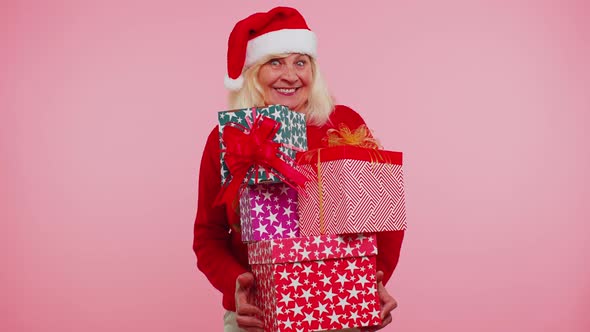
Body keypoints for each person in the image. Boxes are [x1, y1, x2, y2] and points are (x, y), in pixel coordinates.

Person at [193, 6, 405, 332]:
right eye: (275, 62)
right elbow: (208, 236)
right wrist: (238, 286)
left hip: (339, 306)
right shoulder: (228, 138)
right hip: (258, 318)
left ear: (313, 70)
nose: (291, 75)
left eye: (300, 62)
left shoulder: (344, 123)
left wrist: (370, 282)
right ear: (252, 73)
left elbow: (382, 214)